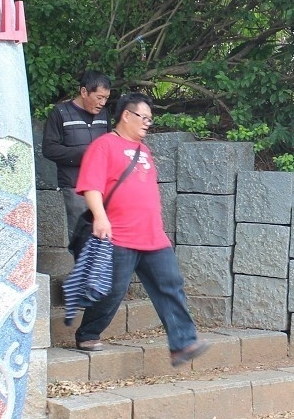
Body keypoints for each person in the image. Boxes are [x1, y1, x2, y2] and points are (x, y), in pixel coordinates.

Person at [73, 92, 208, 366]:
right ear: (126, 115)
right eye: (143, 117)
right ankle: (88, 333)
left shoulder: (143, 151)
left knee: (170, 285)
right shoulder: (104, 146)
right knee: (112, 290)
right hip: (118, 235)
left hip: (153, 236)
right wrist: (100, 217)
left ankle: (182, 343)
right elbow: (92, 185)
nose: (147, 123)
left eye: (150, 119)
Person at [41, 71, 112, 258]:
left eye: (106, 98)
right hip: (74, 186)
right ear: (83, 92)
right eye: (99, 97)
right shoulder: (60, 113)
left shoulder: (104, 114)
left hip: (103, 186)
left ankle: (102, 280)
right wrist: (86, 154)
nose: (102, 103)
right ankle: (83, 282)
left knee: (106, 236)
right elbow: (49, 149)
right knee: (82, 237)